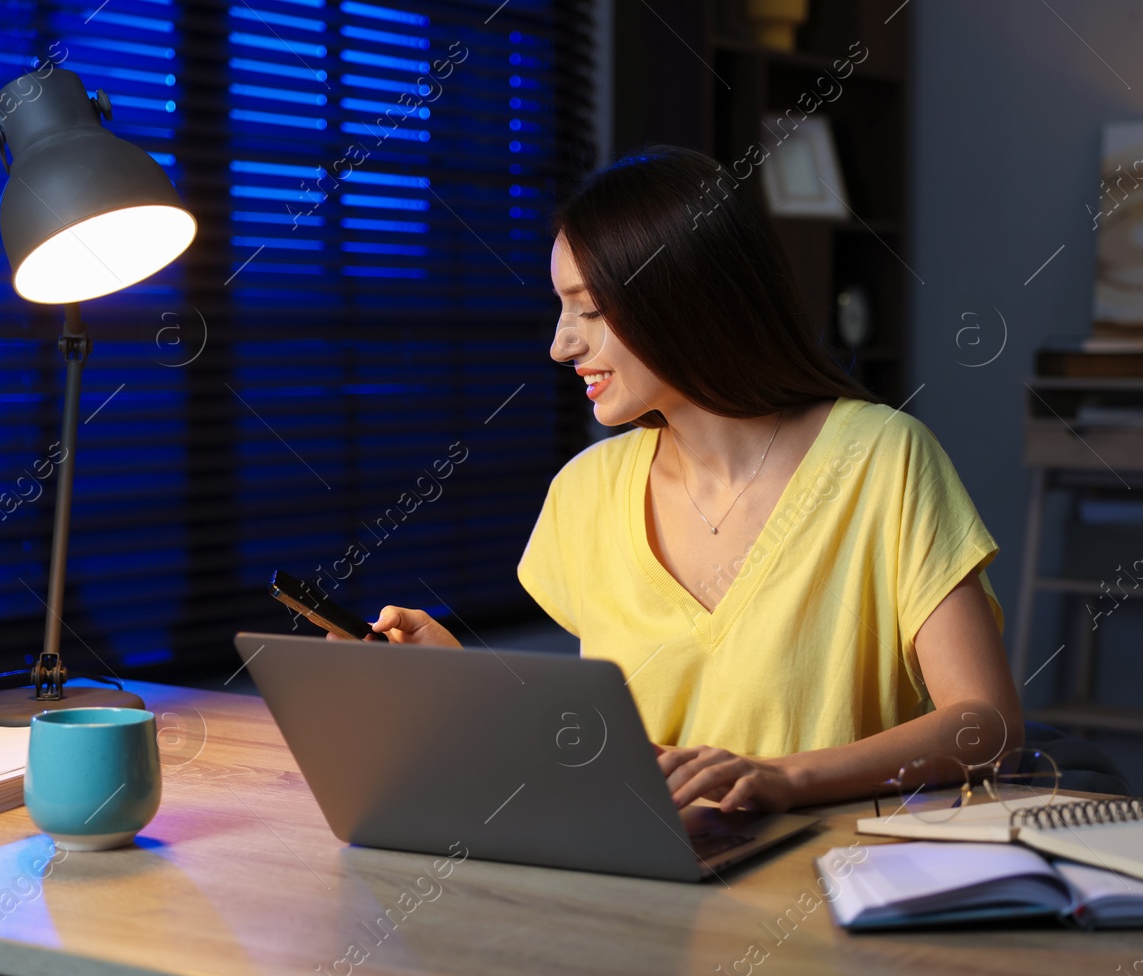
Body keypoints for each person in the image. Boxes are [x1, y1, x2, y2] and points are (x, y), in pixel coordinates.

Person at [357, 146, 1022, 814]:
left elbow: (987, 727)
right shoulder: (584, 492)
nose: (561, 345)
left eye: (588, 311)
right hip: (650, 885)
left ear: (679, 296)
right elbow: (599, 747)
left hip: (830, 885)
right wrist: (461, 682)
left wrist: (782, 778)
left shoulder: (884, 460)